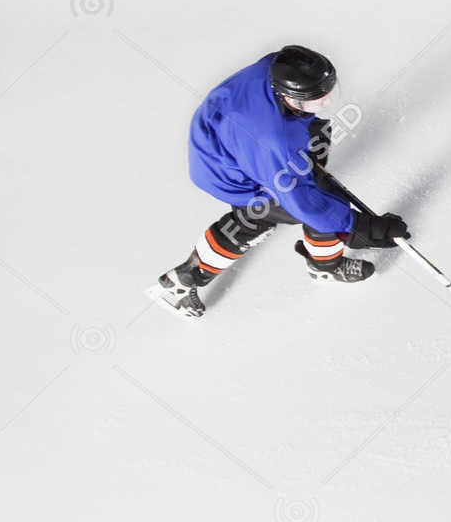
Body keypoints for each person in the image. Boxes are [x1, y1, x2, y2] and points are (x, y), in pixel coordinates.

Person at [150, 45, 410, 319]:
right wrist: (359, 227)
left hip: (218, 137)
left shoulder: (277, 65)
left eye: (326, 95)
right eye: (311, 102)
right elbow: (306, 205)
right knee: (304, 206)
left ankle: (191, 273)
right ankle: (325, 266)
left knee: (316, 139)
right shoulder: (273, 141)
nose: (323, 104)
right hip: (226, 172)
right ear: (285, 95)